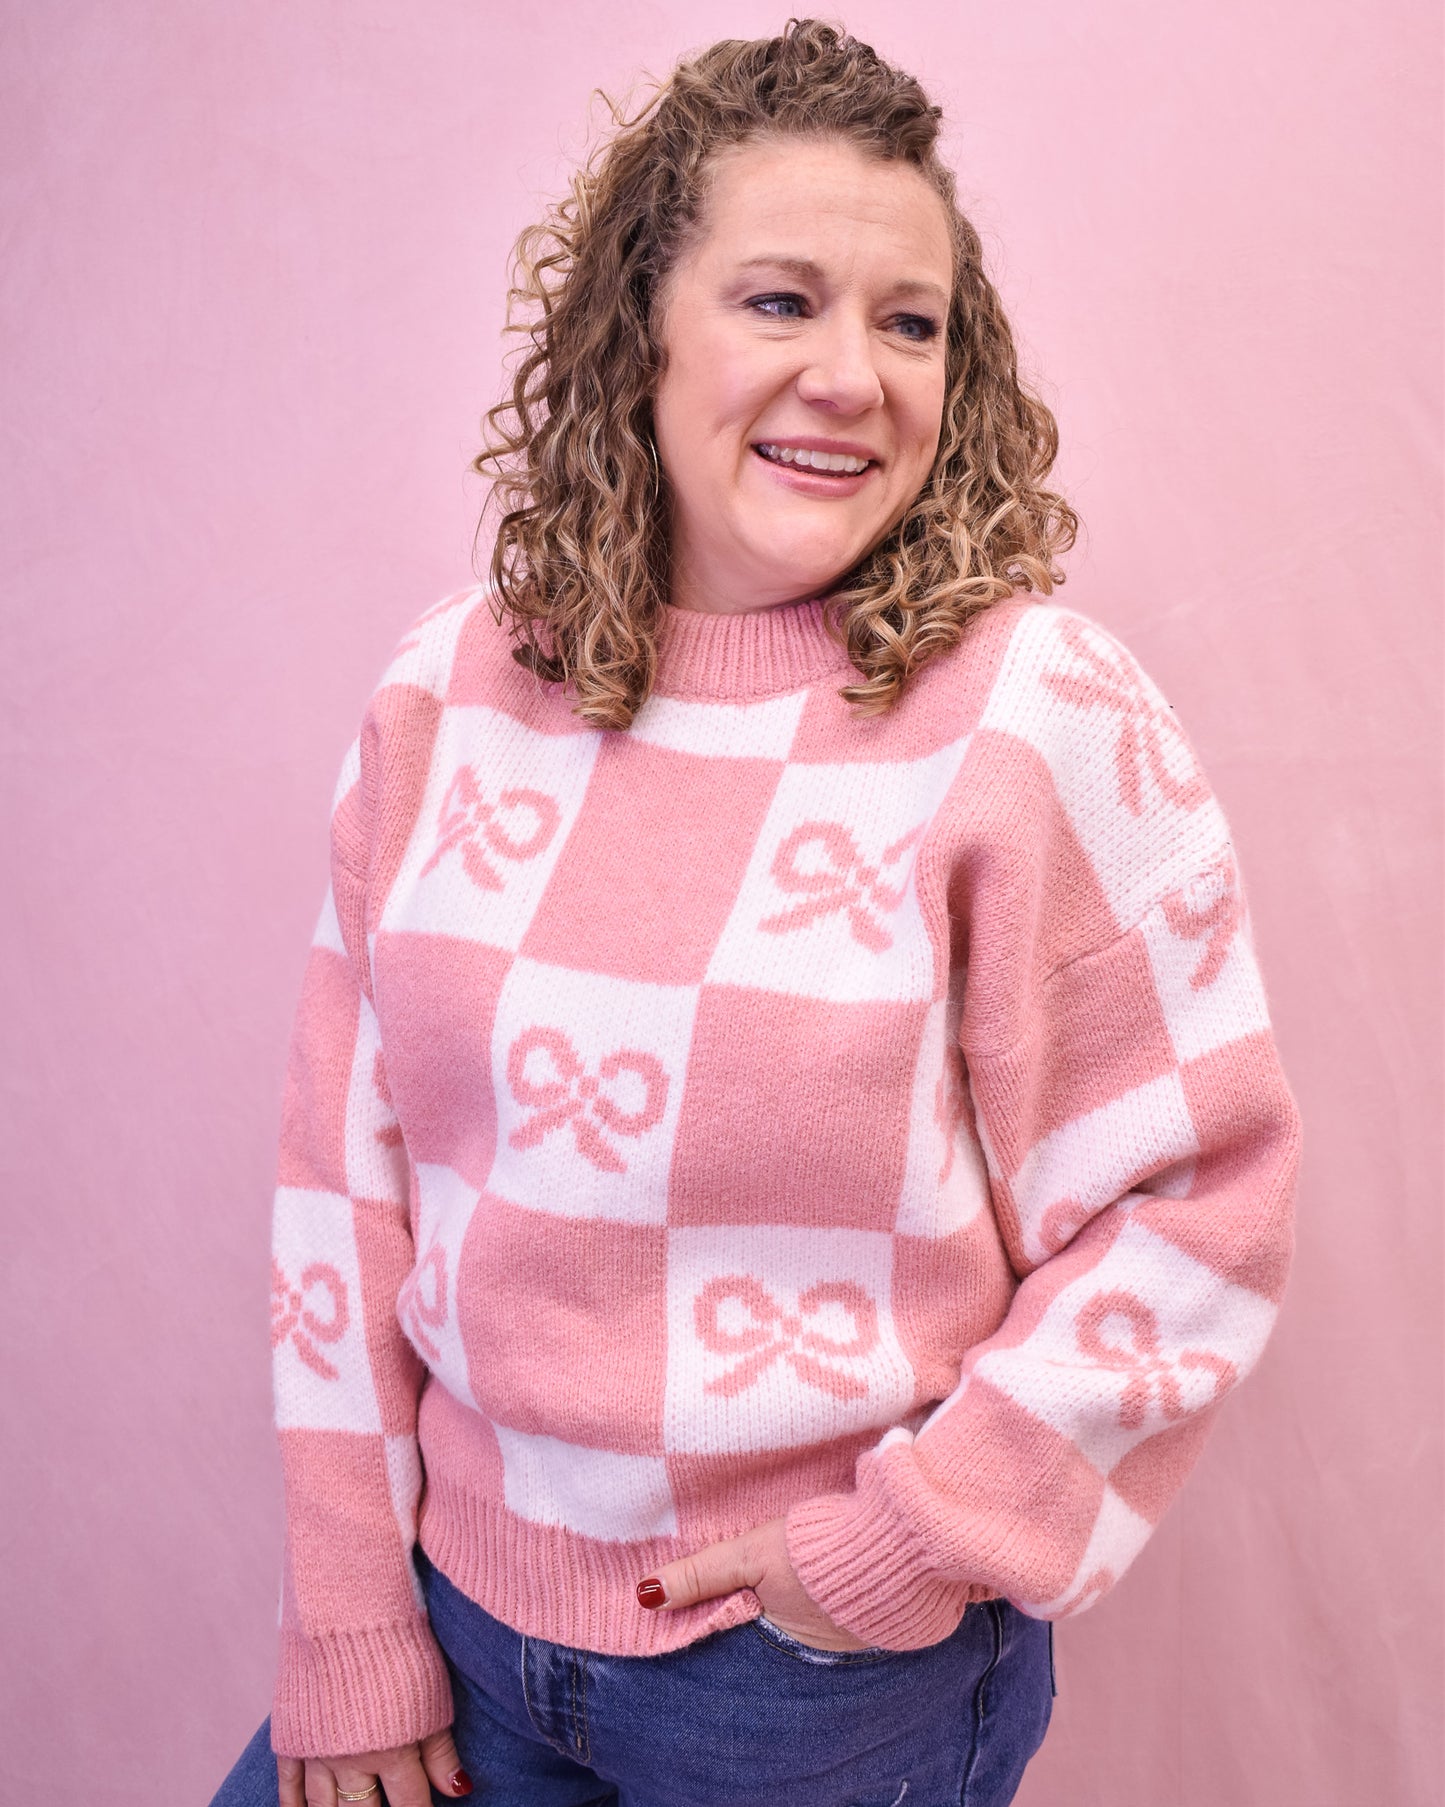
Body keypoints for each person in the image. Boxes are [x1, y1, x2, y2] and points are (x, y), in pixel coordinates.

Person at [211, 21, 1300, 1807]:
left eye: (908, 320)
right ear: (639, 331)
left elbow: (1203, 1207)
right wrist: (349, 1615)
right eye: (779, 301)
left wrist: (901, 1549)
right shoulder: (451, 694)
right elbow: (345, 1191)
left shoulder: (1035, 718)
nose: (853, 376)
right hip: (458, 1619)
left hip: (808, 1694)